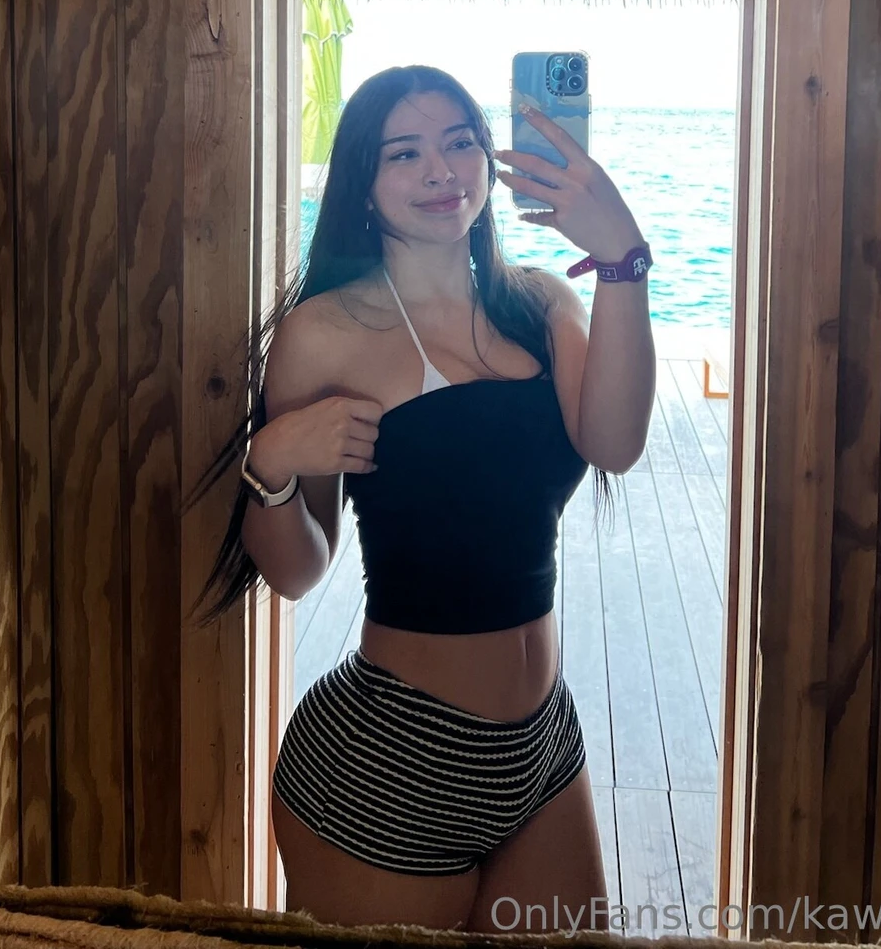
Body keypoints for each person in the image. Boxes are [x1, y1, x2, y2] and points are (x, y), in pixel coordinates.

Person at [191, 64, 656, 931]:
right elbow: (299, 570)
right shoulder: (323, 333)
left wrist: (623, 262)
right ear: (363, 185)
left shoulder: (540, 304)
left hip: (541, 746)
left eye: (460, 143)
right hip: (392, 753)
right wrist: (271, 464)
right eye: (403, 153)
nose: (441, 171)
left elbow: (614, 444)